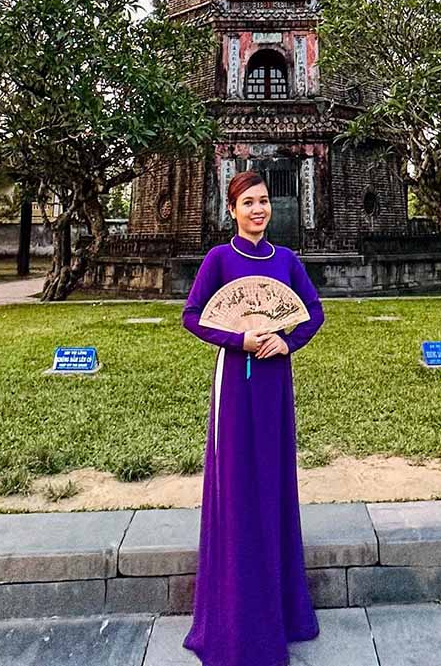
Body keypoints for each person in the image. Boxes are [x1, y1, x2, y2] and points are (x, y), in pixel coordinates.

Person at [181, 169, 325, 666]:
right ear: (232, 209)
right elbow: (194, 314)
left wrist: (288, 340)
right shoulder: (219, 258)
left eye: (264, 201)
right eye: (248, 203)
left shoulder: (286, 260)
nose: (258, 209)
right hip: (235, 384)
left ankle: (282, 612)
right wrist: (238, 339)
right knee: (237, 487)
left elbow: (312, 311)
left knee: (274, 483)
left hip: (275, 382)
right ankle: (235, 617)